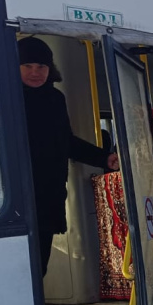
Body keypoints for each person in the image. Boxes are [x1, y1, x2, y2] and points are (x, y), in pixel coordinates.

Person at [18, 36, 119, 278]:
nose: (35, 72)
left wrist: (105, 159)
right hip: (17, 199)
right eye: (28, 66)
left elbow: (67, 143)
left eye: (41, 66)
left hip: (48, 198)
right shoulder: (5, 98)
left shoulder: (55, 99)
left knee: (37, 269)